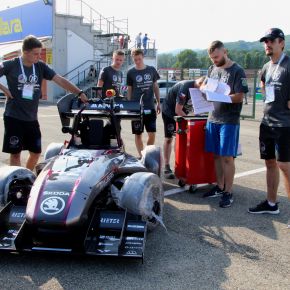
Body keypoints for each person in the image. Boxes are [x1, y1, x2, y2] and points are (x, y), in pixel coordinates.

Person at [0, 35, 88, 171]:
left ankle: (27, 177)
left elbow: (59, 80)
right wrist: (4, 89)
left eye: (40, 53)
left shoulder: (40, 66)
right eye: (36, 54)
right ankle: (17, 182)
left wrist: (79, 92)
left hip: (31, 118)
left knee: (36, 153)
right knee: (15, 154)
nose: (39, 56)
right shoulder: (11, 64)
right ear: (25, 52)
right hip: (13, 117)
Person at [248, 28, 290, 221]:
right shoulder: (266, 66)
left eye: (271, 40)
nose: (268, 44)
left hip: (284, 124)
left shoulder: (288, 65)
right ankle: (271, 203)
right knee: (270, 163)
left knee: (284, 165)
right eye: (265, 41)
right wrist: (267, 96)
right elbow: (264, 84)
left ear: (281, 42)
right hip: (267, 123)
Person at [203, 40, 248, 208]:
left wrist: (223, 98)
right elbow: (208, 89)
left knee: (227, 157)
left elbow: (239, 96)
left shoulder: (237, 70)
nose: (214, 60)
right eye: (212, 58)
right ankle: (219, 186)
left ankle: (228, 192)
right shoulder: (212, 69)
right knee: (216, 155)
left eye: (216, 57)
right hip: (212, 117)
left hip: (229, 120)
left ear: (225, 52)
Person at [162, 77, 205, 179]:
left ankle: (180, 165)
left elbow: (199, 108)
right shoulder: (185, 87)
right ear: (199, 83)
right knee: (169, 138)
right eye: (203, 89)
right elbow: (178, 110)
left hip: (183, 112)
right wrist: (189, 121)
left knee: (181, 138)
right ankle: (166, 166)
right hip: (170, 112)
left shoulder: (201, 89)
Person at [126, 48, 161, 158]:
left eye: (139, 59)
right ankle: (141, 157)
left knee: (152, 133)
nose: (137, 61)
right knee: (138, 133)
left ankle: (147, 155)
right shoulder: (131, 72)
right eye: (135, 59)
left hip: (150, 106)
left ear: (143, 57)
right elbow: (129, 89)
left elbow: (155, 87)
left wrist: (159, 102)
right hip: (136, 108)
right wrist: (129, 104)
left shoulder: (151, 70)